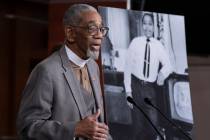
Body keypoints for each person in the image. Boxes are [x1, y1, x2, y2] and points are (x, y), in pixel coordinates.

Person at [17, 4, 112, 140]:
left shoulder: (93, 66)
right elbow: (27, 127)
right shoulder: (46, 71)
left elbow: (97, 125)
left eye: (101, 29)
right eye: (92, 28)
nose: (100, 36)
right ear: (70, 33)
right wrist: (75, 129)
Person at [124, 13, 173, 139]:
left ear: (153, 26)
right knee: (138, 127)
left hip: (150, 89)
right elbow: (127, 67)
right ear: (142, 25)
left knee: (153, 125)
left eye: (150, 24)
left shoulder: (158, 46)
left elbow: (169, 65)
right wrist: (128, 92)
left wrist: (161, 74)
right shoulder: (135, 42)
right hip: (135, 87)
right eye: (144, 23)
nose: (147, 27)